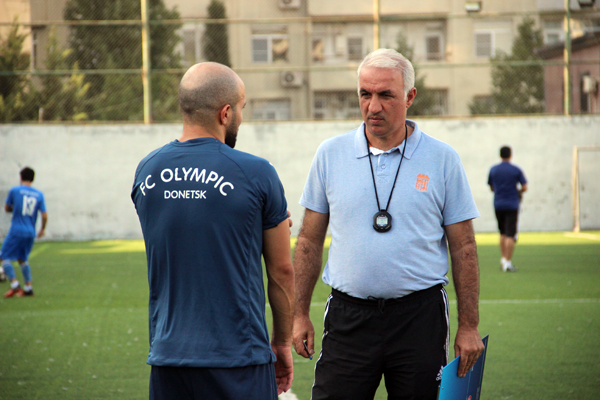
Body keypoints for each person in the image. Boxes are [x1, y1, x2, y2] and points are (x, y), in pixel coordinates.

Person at [292, 48, 484, 400]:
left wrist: (469, 325)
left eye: (385, 95)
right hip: (349, 318)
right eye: (365, 94)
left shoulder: (442, 159)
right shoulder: (330, 154)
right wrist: (298, 313)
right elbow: (308, 240)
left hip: (420, 319)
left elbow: (463, 246)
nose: (373, 106)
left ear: (410, 96)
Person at [131, 62, 294, 400]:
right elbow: (282, 270)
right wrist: (281, 342)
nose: (241, 118)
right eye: (242, 108)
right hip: (239, 358)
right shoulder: (256, 173)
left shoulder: (147, 171)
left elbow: (187, 227)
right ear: (225, 113)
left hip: (168, 359)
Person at [1, 167, 48, 298]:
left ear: (20, 177)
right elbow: (44, 215)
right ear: (32, 179)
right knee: (22, 258)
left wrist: (16, 209)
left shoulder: (15, 190)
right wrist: (42, 229)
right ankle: (28, 288)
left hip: (17, 230)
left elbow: (7, 208)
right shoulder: (39, 194)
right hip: (30, 232)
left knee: (3, 257)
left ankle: (15, 285)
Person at [488, 146, 527, 272]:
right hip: (512, 204)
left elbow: (491, 187)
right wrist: (517, 191)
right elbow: (524, 187)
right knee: (511, 234)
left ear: (500, 155)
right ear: (510, 155)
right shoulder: (515, 170)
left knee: (502, 233)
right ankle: (508, 262)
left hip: (498, 204)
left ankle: (503, 259)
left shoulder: (493, 169)